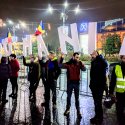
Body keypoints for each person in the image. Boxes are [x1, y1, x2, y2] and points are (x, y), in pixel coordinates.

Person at [59, 52, 86, 119]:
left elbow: (84, 69)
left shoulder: (79, 63)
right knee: (68, 97)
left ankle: (78, 111)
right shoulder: (68, 63)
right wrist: (62, 57)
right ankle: (67, 109)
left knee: (77, 98)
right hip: (70, 83)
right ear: (73, 57)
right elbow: (59, 65)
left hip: (77, 83)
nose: (78, 58)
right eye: (76, 57)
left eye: (78, 57)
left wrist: (82, 64)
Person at [89, 50, 108, 124]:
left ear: (97, 54)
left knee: (98, 102)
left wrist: (98, 56)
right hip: (94, 86)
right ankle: (96, 116)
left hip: (100, 86)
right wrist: (90, 84)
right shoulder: (93, 62)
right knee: (95, 102)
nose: (92, 54)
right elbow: (92, 75)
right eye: (91, 54)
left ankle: (100, 118)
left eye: (94, 53)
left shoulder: (102, 61)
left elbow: (105, 65)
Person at [109, 55, 125, 125]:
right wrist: (111, 92)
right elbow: (112, 81)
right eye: (124, 58)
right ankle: (120, 122)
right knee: (119, 110)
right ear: (121, 58)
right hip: (119, 93)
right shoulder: (116, 67)